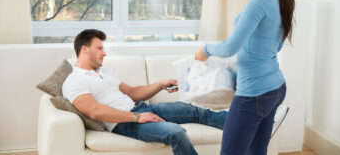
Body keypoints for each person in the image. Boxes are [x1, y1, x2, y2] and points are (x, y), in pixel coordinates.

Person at [195, 0, 294, 155]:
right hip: (275, 88)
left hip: (254, 94)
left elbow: (230, 47)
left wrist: (206, 49)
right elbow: (274, 48)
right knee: (257, 152)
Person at [62, 29, 227, 155]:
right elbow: (94, 111)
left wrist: (160, 84)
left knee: (193, 110)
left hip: (141, 110)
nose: (104, 53)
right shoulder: (74, 81)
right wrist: (137, 117)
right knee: (176, 133)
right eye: (99, 48)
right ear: (84, 49)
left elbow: (132, 92)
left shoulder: (104, 72)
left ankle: (246, 124)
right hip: (124, 123)